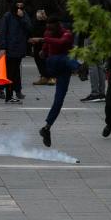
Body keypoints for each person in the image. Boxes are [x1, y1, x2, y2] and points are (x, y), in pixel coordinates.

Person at [31, 16, 82, 147]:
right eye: (47, 27)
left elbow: (60, 42)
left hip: (64, 70)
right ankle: (79, 68)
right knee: (63, 58)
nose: (49, 30)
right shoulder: (48, 33)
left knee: (59, 100)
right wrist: (43, 50)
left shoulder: (67, 34)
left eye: (51, 27)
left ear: (58, 26)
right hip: (53, 65)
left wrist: (43, 41)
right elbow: (45, 50)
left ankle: (47, 128)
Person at [0, 0, 32, 103]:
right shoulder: (8, 16)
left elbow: (29, 28)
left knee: (15, 72)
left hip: (19, 48)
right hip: (10, 48)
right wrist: (3, 47)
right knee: (10, 72)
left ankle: (14, 92)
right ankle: (9, 95)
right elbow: (3, 32)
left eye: (21, 6)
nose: (19, 9)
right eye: (17, 6)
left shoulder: (24, 15)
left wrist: (22, 18)